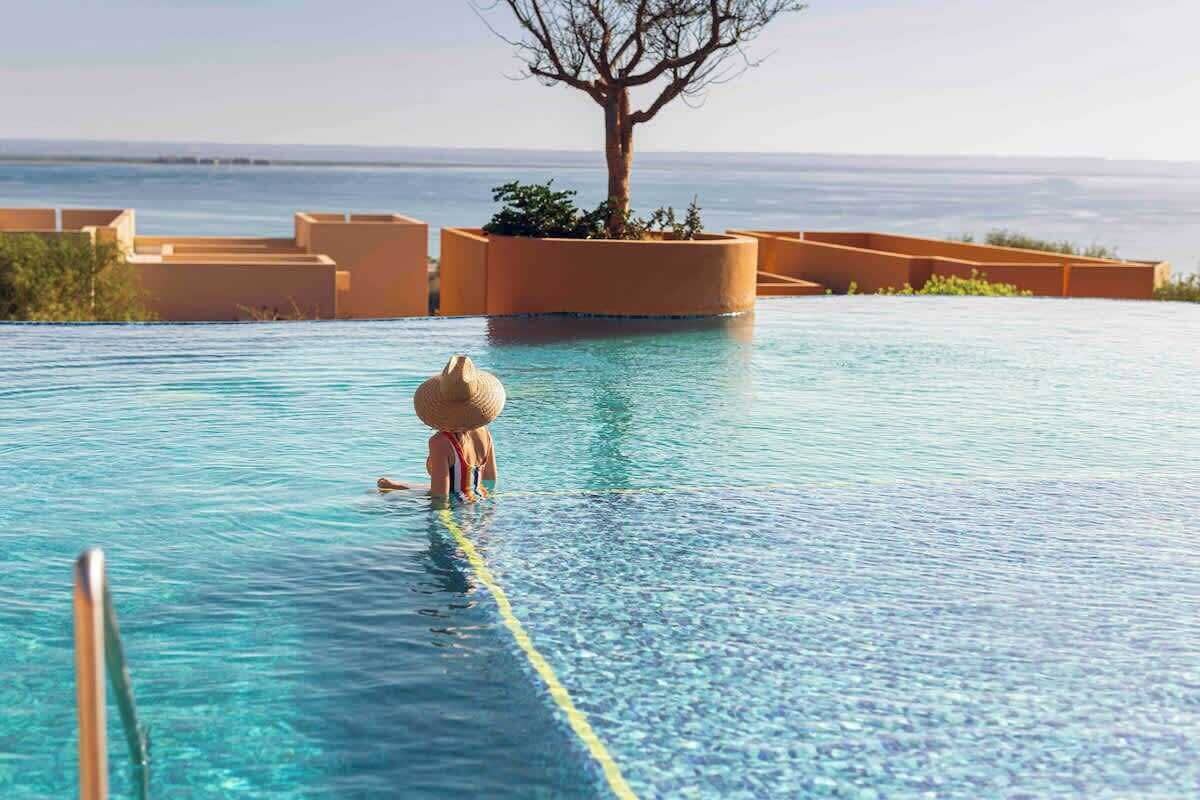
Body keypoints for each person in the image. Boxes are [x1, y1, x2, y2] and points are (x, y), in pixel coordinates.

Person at [377, 355, 504, 501]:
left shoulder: (440, 443)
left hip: (455, 511)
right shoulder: (484, 433)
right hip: (478, 496)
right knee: (387, 486)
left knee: (369, 498)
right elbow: (490, 482)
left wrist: (440, 522)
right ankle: (396, 486)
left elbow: (440, 497)